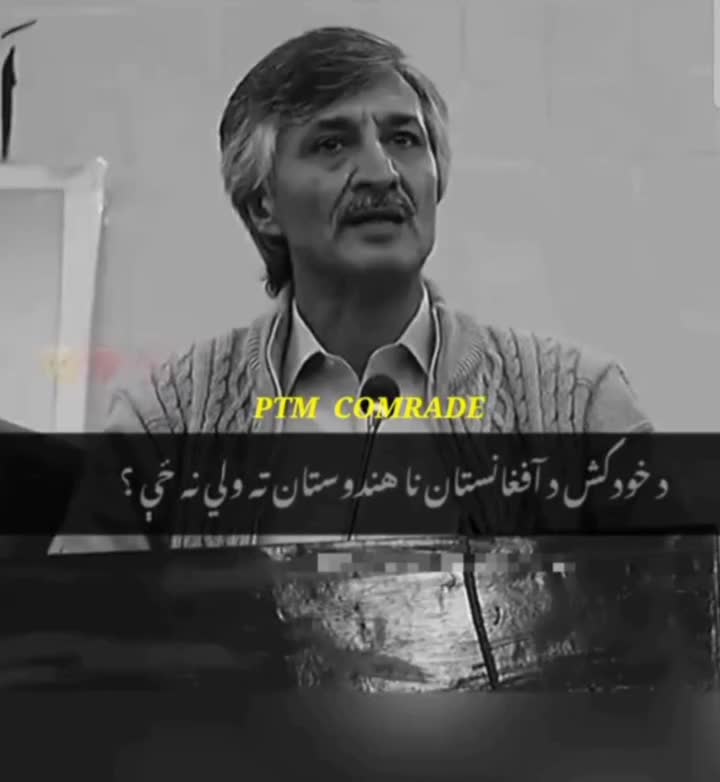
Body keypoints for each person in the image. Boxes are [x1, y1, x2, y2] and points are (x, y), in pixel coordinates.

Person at [49, 26, 652, 555]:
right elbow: (72, 638)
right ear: (263, 205)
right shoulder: (165, 426)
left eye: (403, 139)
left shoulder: (576, 405)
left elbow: (678, 619)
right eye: (332, 144)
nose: (382, 174)